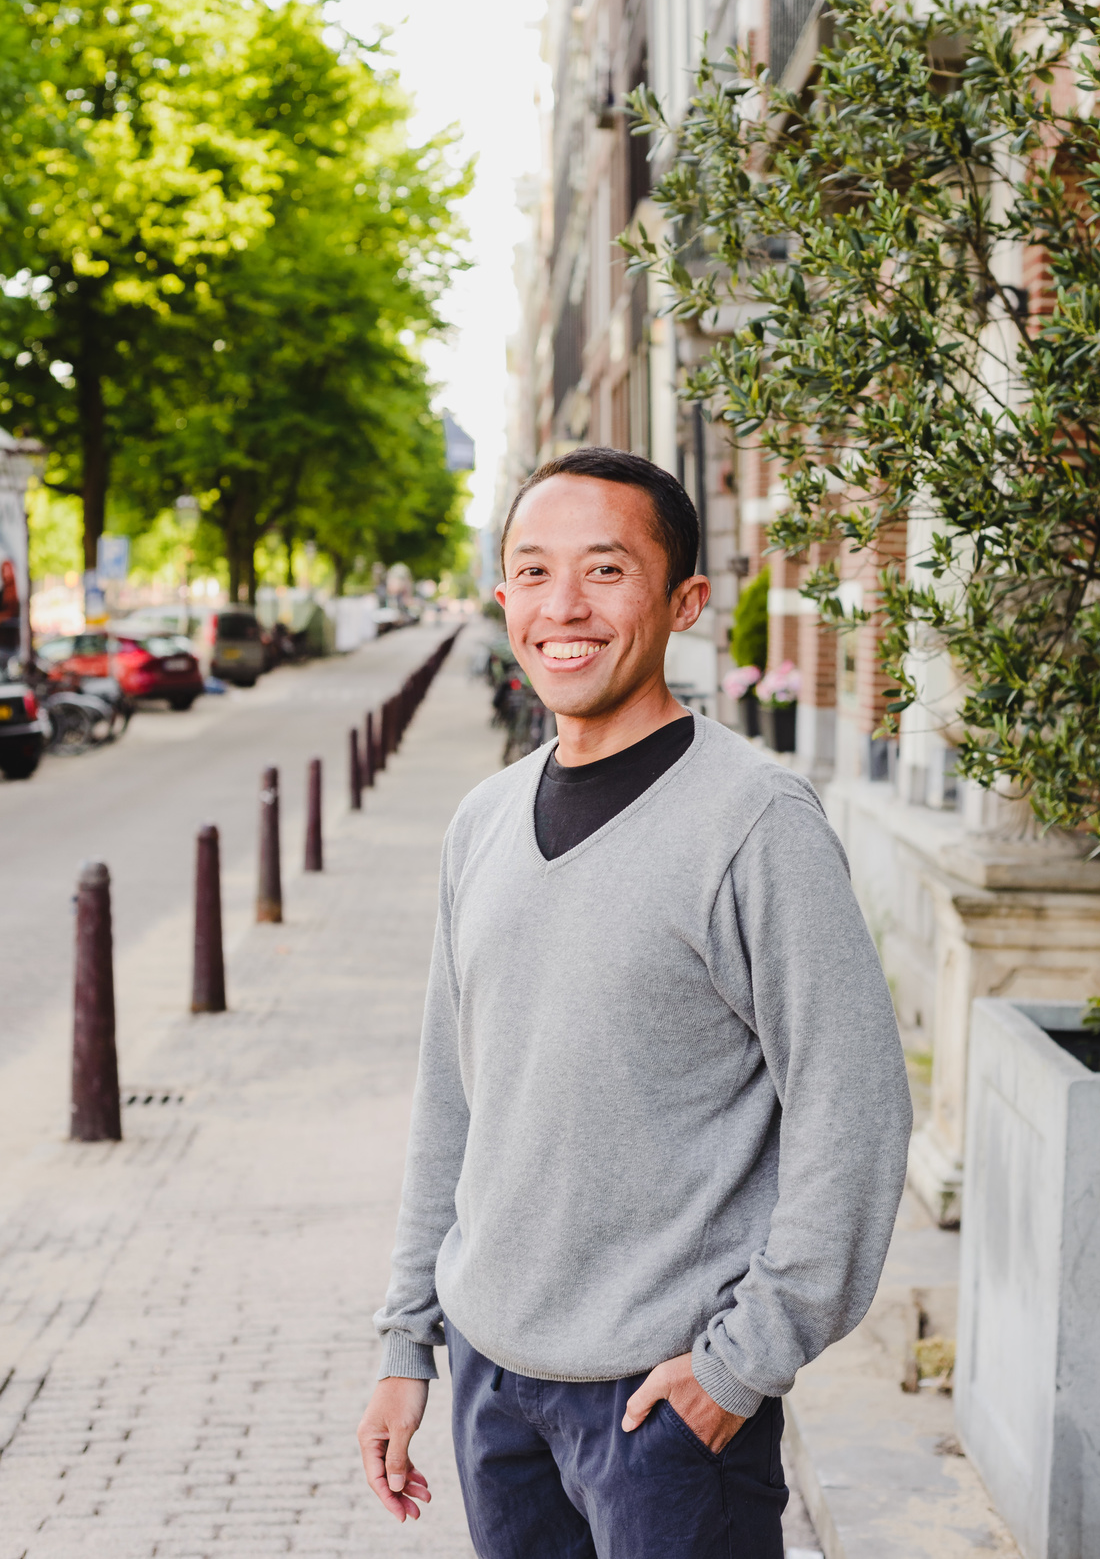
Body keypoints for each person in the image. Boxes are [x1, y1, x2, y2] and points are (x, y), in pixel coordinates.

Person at [358, 447, 911, 1557]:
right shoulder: (482, 821)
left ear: (684, 602)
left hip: (664, 1409)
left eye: (607, 571)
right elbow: (450, 1103)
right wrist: (405, 1341)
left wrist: (743, 1362)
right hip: (491, 1387)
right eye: (533, 570)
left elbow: (854, 1111)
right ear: (502, 594)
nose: (564, 606)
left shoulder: (756, 823)